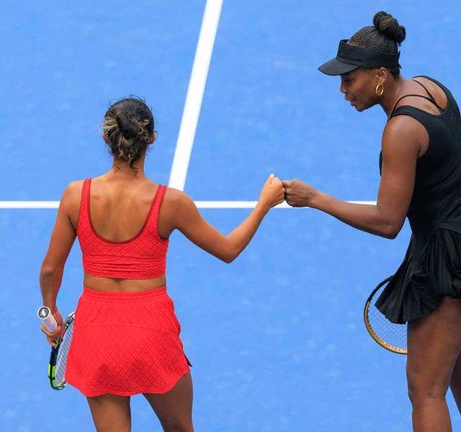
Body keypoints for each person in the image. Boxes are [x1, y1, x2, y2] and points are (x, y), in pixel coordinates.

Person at [282, 11, 461, 432]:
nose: (342, 90)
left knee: (424, 389)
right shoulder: (432, 87)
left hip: (457, 248)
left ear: (378, 75)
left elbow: (387, 221)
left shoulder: (400, 130)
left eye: (348, 79)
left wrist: (315, 198)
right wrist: (439, 220)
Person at [39, 97, 285, 431]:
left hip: (96, 332)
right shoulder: (171, 203)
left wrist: (49, 311)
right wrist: (263, 204)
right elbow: (228, 250)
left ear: (105, 137)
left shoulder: (74, 195)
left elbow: (50, 270)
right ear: (151, 137)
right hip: (150, 332)